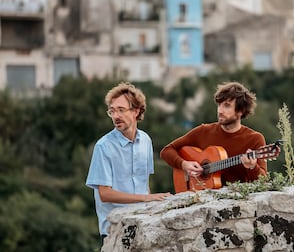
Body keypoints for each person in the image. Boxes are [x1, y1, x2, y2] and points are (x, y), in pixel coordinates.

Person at [86, 82, 171, 243]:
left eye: (121, 110)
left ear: (136, 111)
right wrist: (146, 198)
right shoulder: (103, 147)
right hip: (114, 230)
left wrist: (149, 203)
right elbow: (105, 194)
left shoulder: (146, 140)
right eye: (112, 111)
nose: (116, 116)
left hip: (143, 224)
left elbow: (144, 184)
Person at [160, 81, 280, 191]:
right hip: (201, 200)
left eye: (227, 106)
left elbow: (263, 182)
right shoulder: (203, 131)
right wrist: (184, 164)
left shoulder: (254, 139)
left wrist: (252, 167)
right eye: (219, 105)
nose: (220, 111)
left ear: (240, 111)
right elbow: (166, 151)